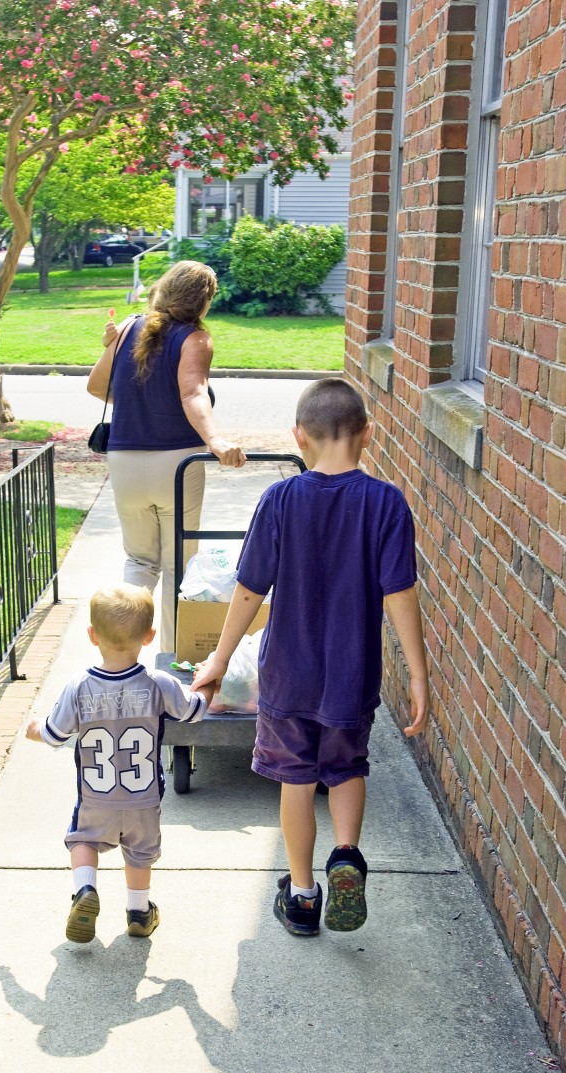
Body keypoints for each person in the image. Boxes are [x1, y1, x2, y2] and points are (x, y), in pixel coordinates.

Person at [192, 379, 430, 937]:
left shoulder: (280, 500)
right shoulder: (386, 503)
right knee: (347, 768)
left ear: (299, 437)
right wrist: (419, 676)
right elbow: (400, 595)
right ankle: (346, 856)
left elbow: (249, 589)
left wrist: (219, 662)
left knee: (295, 781)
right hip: (352, 676)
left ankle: (301, 896)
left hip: (287, 676)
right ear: (367, 434)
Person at [26, 583, 215, 943]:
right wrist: (210, 680)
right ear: (150, 636)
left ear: (92, 636)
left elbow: (53, 735)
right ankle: (139, 914)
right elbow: (195, 711)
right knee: (139, 854)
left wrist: (33, 728)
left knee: (83, 839)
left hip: (96, 797)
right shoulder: (160, 683)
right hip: (144, 798)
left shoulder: (79, 686)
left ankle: (85, 890)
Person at [87, 261, 246, 652]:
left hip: (124, 462)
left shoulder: (128, 328)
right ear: (204, 301)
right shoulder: (195, 339)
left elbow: (96, 387)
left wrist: (114, 352)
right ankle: (172, 657)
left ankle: (120, 652)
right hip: (177, 464)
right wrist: (216, 441)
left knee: (139, 561)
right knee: (178, 563)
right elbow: (192, 394)